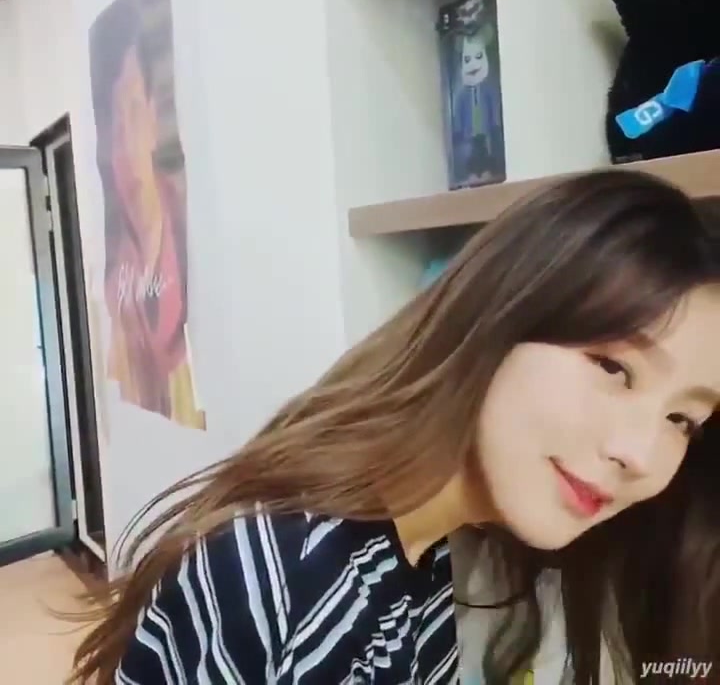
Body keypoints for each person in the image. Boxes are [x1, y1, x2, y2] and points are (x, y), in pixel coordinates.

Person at [69, 170, 720, 685]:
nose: (639, 453)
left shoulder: (421, 549)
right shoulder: (294, 575)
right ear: (499, 315)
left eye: (681, 419)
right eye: (612, 367)